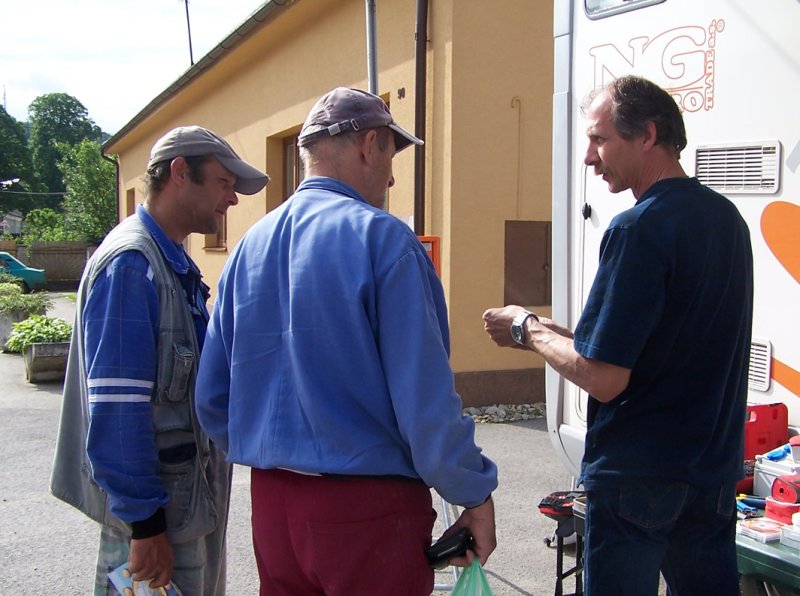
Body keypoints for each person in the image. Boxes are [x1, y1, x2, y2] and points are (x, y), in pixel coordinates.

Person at [195, 87, 498, 596]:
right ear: (369, 144)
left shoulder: (248, 247)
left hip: (274, 507)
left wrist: (275, 449)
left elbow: (212, 399)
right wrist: (474, 494)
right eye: (391, 156)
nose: (392, 177)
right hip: (367, 509)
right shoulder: (385, 240)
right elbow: (425, 405)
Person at [484, 76, 753, 595]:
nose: (589, 157)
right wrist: (552, 334)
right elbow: (660, 345)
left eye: (599, 139)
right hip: (712, 473)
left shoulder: (638, 227)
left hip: (639, 479)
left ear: (647, 135)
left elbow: (604, 377)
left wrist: (525, 328)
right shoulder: (727, 220)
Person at [50, 125, 269, 595]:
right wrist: (145, 525)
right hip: (159, 524)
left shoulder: (170, 262)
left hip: (184, 511)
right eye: (223, 183)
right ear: (180, 172)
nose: (232, 199)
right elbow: (117, 410)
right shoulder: (132, 265)